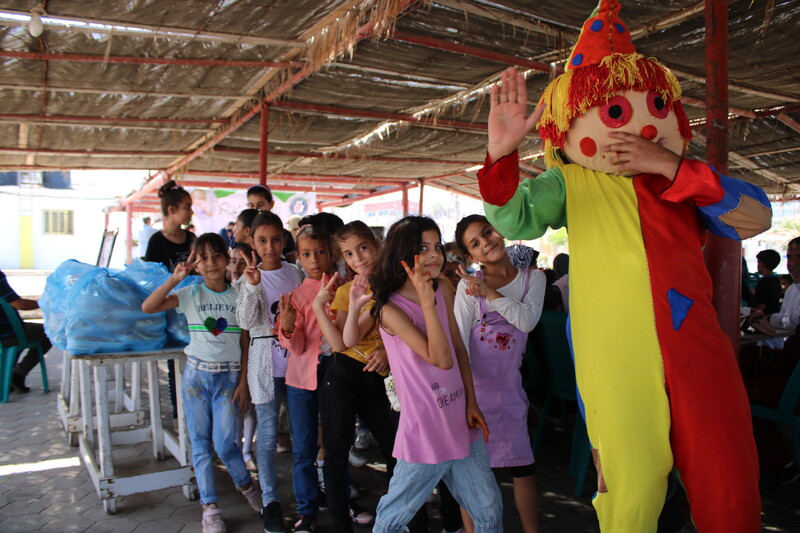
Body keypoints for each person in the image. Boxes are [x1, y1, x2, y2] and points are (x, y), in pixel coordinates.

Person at [477, 3, 771, 531]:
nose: (641, 121)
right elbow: (515, 219)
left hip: (695, 344)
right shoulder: (571, 183)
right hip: (614, 356)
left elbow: (754, 216)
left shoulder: (686, 180)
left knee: (728, 484)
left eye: (658, 104)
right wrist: (500, 156)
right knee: (629, 493)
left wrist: (669, 165)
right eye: (614, 112)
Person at [369, 216, 503, 533]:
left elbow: (458, 350)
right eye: (423, 248)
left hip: (460, 420)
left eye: (437, 246)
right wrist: (428, 303)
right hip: (426, 431)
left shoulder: (442, 286)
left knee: (489, 511)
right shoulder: (390, 309)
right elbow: (440, 359)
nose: (434, 255)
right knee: (392, 519)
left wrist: (471, 401)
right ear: (402, 253)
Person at [141, 233, 261, 533]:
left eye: (216, 255)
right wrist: (175, 278)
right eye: (202, 257)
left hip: (229, 379)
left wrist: (244, 383)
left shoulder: (238, 296)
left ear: (226, 258)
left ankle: (247, 488)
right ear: (194, 263)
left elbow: (246, 343)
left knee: (226, 445)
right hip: (196, 378)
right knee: (200, 444)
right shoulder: (190, 293)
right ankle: (210, 506)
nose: (211, 263)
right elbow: (149, 307)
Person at [312, 220, 415, 533]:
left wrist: (387, 352)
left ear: (377, 244)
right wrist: (322, 306)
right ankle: (341, 524)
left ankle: (401, 517)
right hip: (342, 374)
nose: (357, 258)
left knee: (395, 449)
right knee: (336, 452)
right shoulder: (346, 291)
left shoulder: (398, 286)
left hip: (381, 377)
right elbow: (344, 340)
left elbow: (410, 330)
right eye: (348, 254)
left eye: (363, 248)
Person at [454, 215, 546, 533]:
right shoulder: (467, 289)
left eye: (487, 232)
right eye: (475, 243)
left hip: (510, 393)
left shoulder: (532, 279)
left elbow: (527, 321)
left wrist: (489, 293)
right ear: (471, 257)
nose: (486, 242)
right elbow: (459, 345)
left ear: (499, 230)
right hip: (473, 395)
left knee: (523, 468)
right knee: (473, 474)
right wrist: (466, 400)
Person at [236, 211, 302, 533]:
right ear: (252, 242)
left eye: (276, 239)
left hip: (298, 362)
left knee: (303, 429)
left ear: (284, 239)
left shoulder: (296, 273)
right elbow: (246, 323)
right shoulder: (248, 278)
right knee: (267, 431)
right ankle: (270, 501)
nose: (270, 246)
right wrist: (251, 287)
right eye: (262, 240)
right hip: (265, 364)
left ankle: (309, 491)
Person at [277, 224, 339, 533]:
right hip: (301, 380)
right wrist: (288, 327)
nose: (313, 260)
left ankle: (341, 502)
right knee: (302, 448)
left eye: (320, 252)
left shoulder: (347, 288)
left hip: (337, 375)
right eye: (306, 254)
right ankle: (307, 510)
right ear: (298, 258)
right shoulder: (295, 297)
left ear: (331, 253)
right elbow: (297, 348)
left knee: (337, 444)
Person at [144, 180, 196, 419]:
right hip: (169, 309)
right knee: (174, 362)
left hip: (191, 308)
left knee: (193, 359)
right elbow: (151, 278)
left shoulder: (192, 239)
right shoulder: (157, 241)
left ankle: (194, 409)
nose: (191, 211)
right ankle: (179, 412)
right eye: (187, 206)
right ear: (172, 210)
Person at [0, 269, 52, 393]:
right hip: (8, 334)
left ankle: (6, 378)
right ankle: (18, 374)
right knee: (51, 333)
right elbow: (19, 304)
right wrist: (45, 303)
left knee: (24, 334)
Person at [247, 185, 297, 263]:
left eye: (260, 205)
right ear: (252, 242)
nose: (256, 209)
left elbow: (291, 262)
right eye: (252, 205)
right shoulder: (245, 232)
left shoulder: (284, 233)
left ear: (271, 204)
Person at [751, 249, 782, 315]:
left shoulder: (763, 283)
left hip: (765, 318)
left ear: (762, 264)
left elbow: (761, 306)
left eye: (758, 262)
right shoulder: (776, 280)